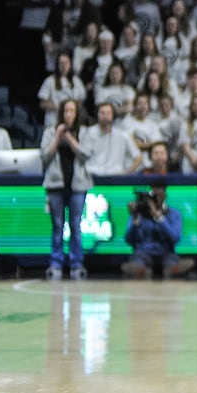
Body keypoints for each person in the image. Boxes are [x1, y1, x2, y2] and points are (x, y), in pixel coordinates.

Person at [40, 98, 92, 280]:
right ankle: (56, 263)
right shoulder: (50, 132)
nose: (69, 114)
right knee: (57, 225)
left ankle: (76, 264)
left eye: (72, 111)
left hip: (78, 185)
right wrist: (57, 138)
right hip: (56, 185)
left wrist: (69, 139)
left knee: (75, 226)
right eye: (66, 111)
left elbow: (86, 154)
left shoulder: (84, 132)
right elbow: (44, 156)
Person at [122, 180, 192, 278]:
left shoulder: (174, 214)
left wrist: (158, 217)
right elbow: (129, 240)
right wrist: (135, 220)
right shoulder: (139, 213)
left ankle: (173, 270)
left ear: (164, 196)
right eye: (153, 195)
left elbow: (174, 238)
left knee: (172, 264)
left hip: (167, 253)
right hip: (143, 252)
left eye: (158, 195)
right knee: (137, 262)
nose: (155, 199)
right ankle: (141, 271)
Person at [81, 101, 141, 176]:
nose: (105, 116)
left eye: (108, 113)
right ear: (97, 115)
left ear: (113, 116)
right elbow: (82, 156)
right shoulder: (89, 133)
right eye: (102, 113)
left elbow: (138, 157)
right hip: (92, 176)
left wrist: (127, 173)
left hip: (115, 177)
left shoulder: (122, 135)